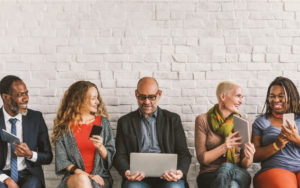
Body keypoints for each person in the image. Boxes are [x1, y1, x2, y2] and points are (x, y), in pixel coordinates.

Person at [113, 77, 191, 188]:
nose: (147, 102)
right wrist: (127, 172)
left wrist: (179, 172)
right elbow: (119, 155)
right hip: (137, 178)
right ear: (136, 94)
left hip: (168, 178)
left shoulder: (173, 120)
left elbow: (184, 153)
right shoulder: (125, 122)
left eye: (151, 97)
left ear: (159, 94)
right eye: (142, 97)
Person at [52, 81, 115, 188]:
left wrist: (100, 147)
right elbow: (62, 161)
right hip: (75, 178)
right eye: (93, 98)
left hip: (100, 178)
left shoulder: (103, 123)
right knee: (82, 179)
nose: (98, 102)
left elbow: (111, 158)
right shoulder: (64, 127)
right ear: (79, 100)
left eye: (97, 98)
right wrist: (88, 176)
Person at [195, 81, 255, 188]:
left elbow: (245, 165)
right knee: (232, 185)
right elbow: (202, 159)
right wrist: (224, 147)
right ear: (223, 96)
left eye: (242, 97)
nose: (241, 101)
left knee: (226, 167)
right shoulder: (203, 120)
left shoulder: (244, 122)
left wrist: (249, 156)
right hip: (209, 174)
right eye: (238, 96)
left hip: (239, 172)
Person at [0, 75, 53, 188]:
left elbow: (48, 157)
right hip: (2, 174)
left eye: (26, 93)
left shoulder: (36, 118)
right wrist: (7, 180)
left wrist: (30, 154)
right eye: (20, 95)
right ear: (5, 97)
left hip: (29, 173)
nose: (26, 99)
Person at [252, 76, 300, 188]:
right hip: (275, 169)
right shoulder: (261, 122)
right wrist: (276, 145)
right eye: (272, 96)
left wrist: (296, 139)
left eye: (281, 96)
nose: (276, 100)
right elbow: (254, 156)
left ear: (291, 97)